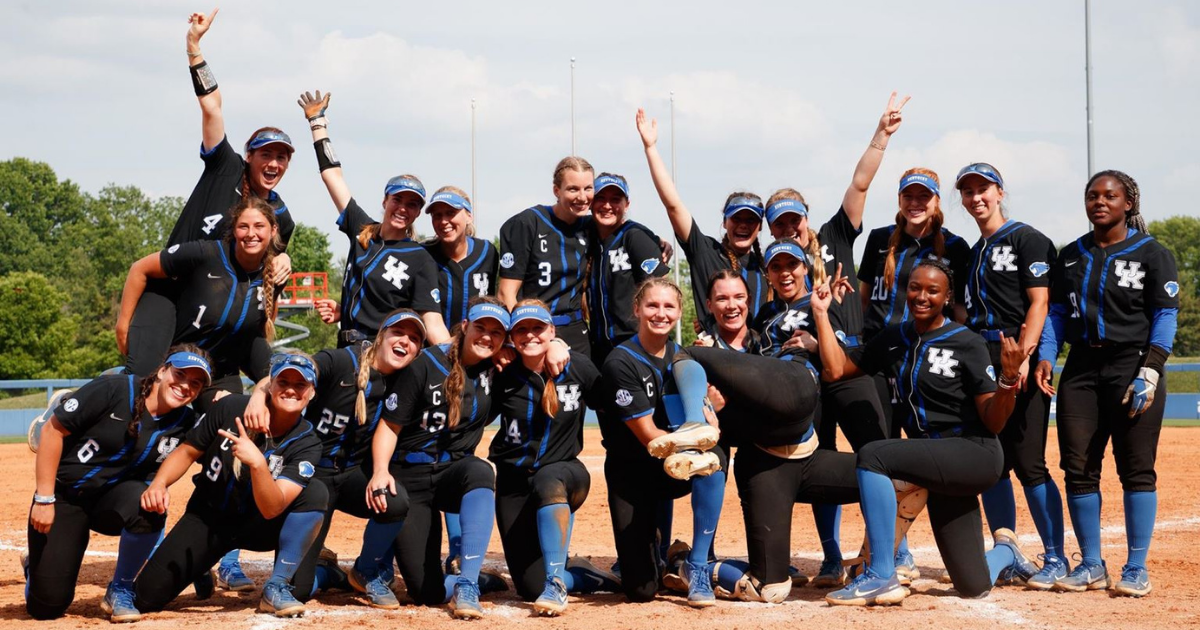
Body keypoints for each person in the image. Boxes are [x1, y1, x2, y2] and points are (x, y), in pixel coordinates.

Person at [813, 259, 1037, 606]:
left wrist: (1008, 381)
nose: (921, 296)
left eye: (933, 290)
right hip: (935, 465)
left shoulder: (968, 343)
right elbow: (836, 368)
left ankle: (880, 575)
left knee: (874, 455)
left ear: (947, 297)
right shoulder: (895, 338)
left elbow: (993, 422)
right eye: (915, 287)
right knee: (972, 585)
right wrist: (821, 314)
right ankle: (1006, 551)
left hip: (973, 454)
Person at [664, 241, 862, 603]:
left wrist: (820, 323)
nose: (731, 305)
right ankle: (694, 563)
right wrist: (712, 405)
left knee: (691, 355)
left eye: (739, 296)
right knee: (770, 588)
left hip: (793, 420)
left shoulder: (792, 325)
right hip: (757, 450)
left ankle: (871, 559)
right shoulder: (735, 334)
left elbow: (833, 367)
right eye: (721, 299)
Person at [762, 94, 905, 587]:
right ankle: (830, 555)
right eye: (779, 222)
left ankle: (891, 550)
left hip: (851, 371)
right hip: (810, 382)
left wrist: (880, 136)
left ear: (806, 216)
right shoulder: (776, 273)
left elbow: (860, 181)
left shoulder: (832, 238)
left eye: (794, 217)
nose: (790, 227)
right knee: (818, 462)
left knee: (879, 454)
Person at [124, 7, 295, 377]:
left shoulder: (280, 218)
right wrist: (194, 47)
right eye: (266, 154)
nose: (274, 163)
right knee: (143, 381)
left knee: (251, 386)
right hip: (170, 293)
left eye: (282, 157)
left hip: (218, 306)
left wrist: (284, 264)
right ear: (250, 156)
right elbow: (211, 106)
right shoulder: (226, 166)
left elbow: (268, 283)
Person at [1034, 170, 1179, 597]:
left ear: (1128, 204)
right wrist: (1047, 355)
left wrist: (1150, 370)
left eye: (1110, 196)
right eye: (1092, 195)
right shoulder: (1072, 254)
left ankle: (1136, 567)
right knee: (1078, 467)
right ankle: (1092, 564)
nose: (1100, 201)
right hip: (1081, 369)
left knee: (1136, 468)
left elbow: (1165, 315)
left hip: (1132, 364)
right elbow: (1058, 313)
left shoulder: (1153, 253)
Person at [242, 309, 427, 608]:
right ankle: (327, 574)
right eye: (398, 333)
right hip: (314, 477)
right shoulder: (343, 361)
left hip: (354, 475)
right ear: (381, 335)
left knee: (395, 499)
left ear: (418, 350)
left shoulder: (408, 380)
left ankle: (366, 571)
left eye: (415, 338)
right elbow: (288, 369)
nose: (405, 341)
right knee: (298, 590)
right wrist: (256, 395)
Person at [133, 352, 328, 618]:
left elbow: (273, 508)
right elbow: (188, 451)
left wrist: (258, 465)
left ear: (312, 392)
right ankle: (200, 565)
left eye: (300, 385)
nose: (291, 390)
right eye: (283, 382)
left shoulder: (308, 442)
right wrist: (159, 482)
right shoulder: (230, 407)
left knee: (316, 492)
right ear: (270, 385)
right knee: (145, 597)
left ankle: (281, 584)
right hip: (208, 519)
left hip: (261, 525)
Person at [24, 349, 211, 622]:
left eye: (195, 383)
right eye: (180, 374)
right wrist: (44, 498)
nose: (185, 386)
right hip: (65, 497)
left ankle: (121, 588)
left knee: (151, 502)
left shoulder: (186, 423)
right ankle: (35, 567)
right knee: (47, 606)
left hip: (111, 502)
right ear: (161, 371)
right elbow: (52, 432)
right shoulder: (114, 388)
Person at [856, 165, 971, 579]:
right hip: (881, 354)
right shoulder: (878, 240)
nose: (916, 202)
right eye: (909, 195)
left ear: (937, 201)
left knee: (923, 447)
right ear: (900, 199)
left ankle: (895, 544)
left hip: (927, 360)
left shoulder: (956, 247)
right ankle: (893, 549)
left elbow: (959, 313)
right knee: (883, 450)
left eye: (925, 196)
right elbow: (863, 298)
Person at [955, 162, 1064, 589]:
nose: (976, 198)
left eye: (983, 189)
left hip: (1014, 351)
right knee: (992, 461)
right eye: (968, 192)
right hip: (979, 354)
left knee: (1029, 461)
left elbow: (1040, 303)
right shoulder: (974, 250)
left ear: (1000, 192)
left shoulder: (1027, 238)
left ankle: (1054, 556)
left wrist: (1022, 358)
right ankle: (1010, 552)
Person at [368, 299, 509, 619]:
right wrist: (379, 471)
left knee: (479, 470)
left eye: (497, 333)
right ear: (465, 325)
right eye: (481, 327)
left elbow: (536, 350)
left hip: (452, 474)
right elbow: (389, 427)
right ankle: (470, 581)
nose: (487, 336)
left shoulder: (498, 367)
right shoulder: (426, 364)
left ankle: (468, 584)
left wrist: (554, 344)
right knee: (424, 592)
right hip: (411, 477)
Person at [599, 278, 727, 608]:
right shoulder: (620, 361)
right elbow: (648, 437)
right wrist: (694, 434)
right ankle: (661, 551)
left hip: (672, 470)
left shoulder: (683, 356)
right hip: (633, 472)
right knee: (641, 590)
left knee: (713, 460)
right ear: (637, 310)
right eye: (652, 305)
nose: (660, 313)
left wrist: (709, 414)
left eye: (669, 306)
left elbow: (703, 411)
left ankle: (696, 564)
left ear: (679, 312)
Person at [489, 301, 621, 615]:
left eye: (538, 328)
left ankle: (555, 583)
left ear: (552, 330)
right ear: (511, 336)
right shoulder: (502, 373)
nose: (530, 335)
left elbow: (614, 407)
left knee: (550, 479)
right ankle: (582, 575)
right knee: (528, 588)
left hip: (565, 474)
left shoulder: (577, 366)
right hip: (515, 481)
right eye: (521, 329)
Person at [297, 90, 450, 347]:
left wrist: (457, 367)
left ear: (417, 213)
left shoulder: (419, 258)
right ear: (385, 201)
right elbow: (332, 176)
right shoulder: (362, 229)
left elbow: (432, 322)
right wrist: (317, 124)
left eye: (412, 204)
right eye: (398, 200)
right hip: (345, 347)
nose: (403, 208)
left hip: (382, 354)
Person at [116, 196, 283, 413]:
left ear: (273, 230)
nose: (251, 233)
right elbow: (139, 268)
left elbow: (265, 317)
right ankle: (88, 398)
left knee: (245, 403)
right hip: (174, 349)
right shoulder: (205, 253)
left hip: (219, 364)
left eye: (259, 226)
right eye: (243, 226)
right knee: (140, 400)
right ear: (234, 230)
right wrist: (122, 325)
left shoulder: (277, 272)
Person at [637, 109, 769, 332]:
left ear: (760, 226)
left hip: (760, 359)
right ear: (725, 222)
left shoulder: (768, 268)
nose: (744, 225)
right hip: (715, 358)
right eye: (737, 218)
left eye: (751, 220)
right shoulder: (706, 252)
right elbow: (673, 205)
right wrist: (650, 148)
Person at [586, 173, 671, 362]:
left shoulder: (635, 235)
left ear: (627, 204)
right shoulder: (588, 238)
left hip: (635, 345)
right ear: (591, 202)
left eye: (615, 199)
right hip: (600, 348)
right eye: (601, 198)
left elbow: (663, 292)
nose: (607, 206)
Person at [423, 187, 499, 327]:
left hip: (478, 343)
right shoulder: (423, 255)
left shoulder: (487, 251)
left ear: (469, 216)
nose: (444, 221)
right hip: (432, 346)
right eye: (437, 215)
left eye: (451, 213)